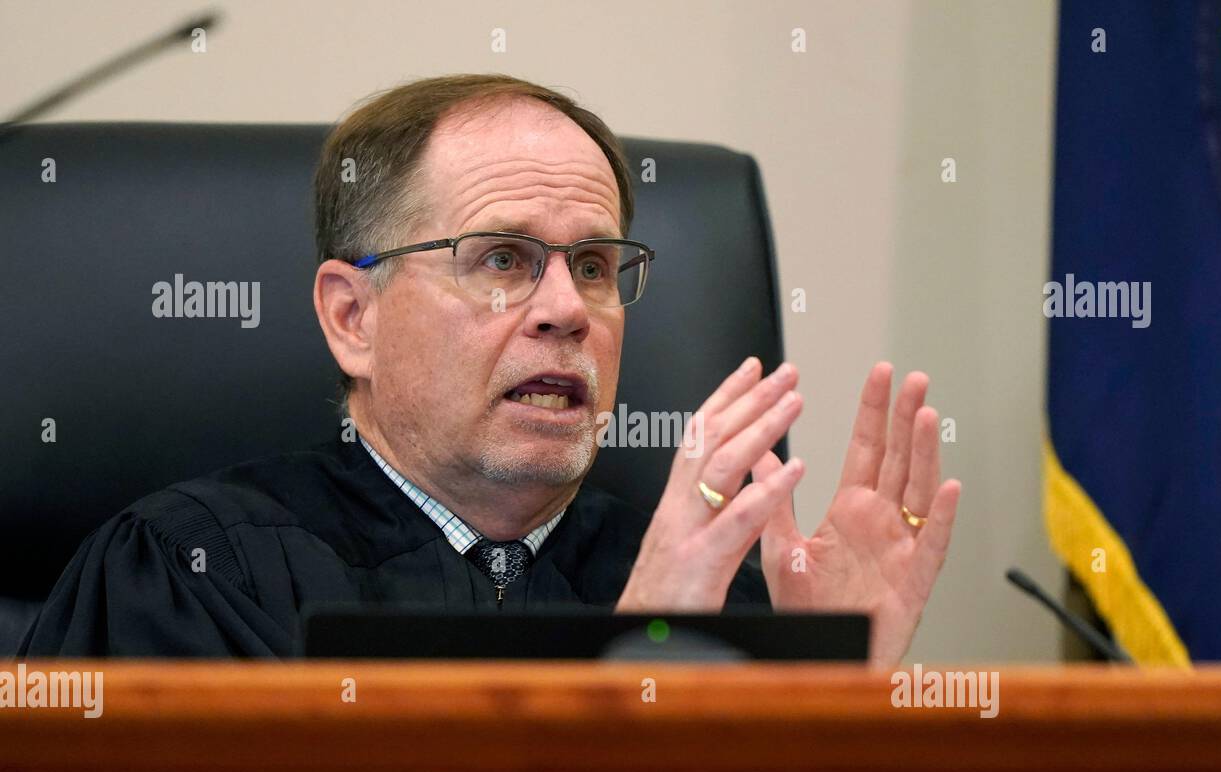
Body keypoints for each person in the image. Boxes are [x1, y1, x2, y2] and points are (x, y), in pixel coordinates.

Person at [20, 73, 960, 665]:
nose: (564, 308)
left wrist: (840, 713)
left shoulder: (723, 597)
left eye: (594, 267)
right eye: (503, 259)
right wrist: (637, 658)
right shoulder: (191, 575)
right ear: (354, 319)